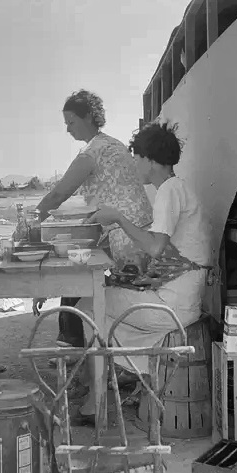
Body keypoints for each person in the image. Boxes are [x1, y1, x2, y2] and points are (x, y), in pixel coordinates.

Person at [74, 121, 212, 425]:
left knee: (88, 308)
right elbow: (159, 245)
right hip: (179, 296)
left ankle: (97, 399)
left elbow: (155, 247)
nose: (134, 165)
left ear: (150, 161)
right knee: (104, 304)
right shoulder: (176, 189)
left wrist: (118, 218)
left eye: (136, 158)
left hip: (174, 305)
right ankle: (127, 378)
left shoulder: (169, 191)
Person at [33, 89, 153, 350]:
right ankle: (75, 344)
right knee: (79, 270)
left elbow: (59, 194)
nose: (68, 129)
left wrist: (31, 220)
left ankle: (75, 347)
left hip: (125, 237)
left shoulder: (94, 151)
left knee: (78, 274)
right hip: (136, 232)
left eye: (71, 122)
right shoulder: (112, 144)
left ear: (89, 116)